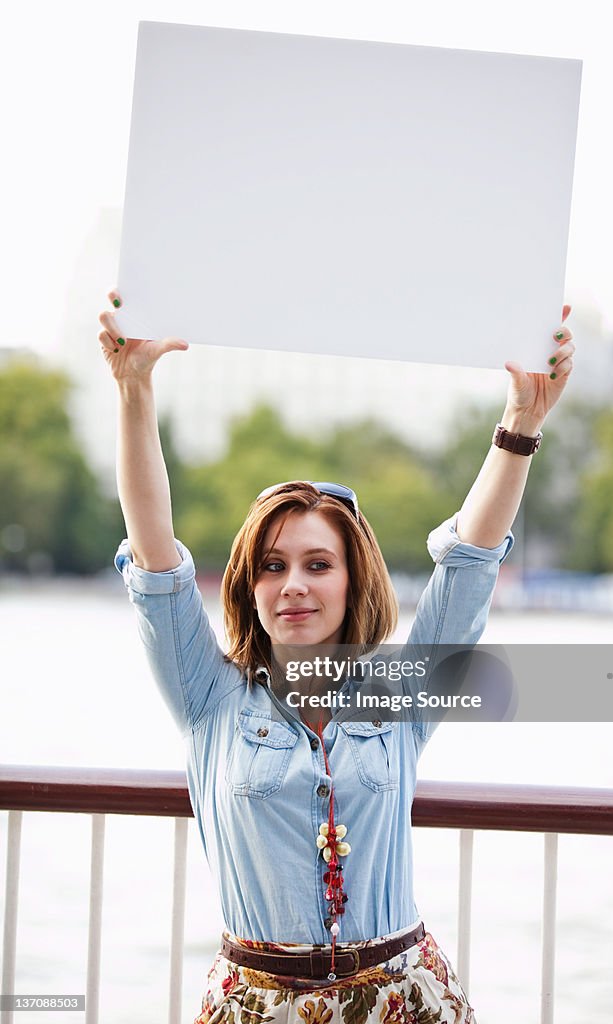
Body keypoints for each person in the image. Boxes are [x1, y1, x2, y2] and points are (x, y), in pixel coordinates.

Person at [98, 291, 574, 1024]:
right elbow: (156, 558)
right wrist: (134, 391)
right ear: (247, 587)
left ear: (352, 581)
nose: (292, 584)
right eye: (270, 566)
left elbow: (470, 567)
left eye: (317, 564)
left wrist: (519, 425)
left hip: (404, 997)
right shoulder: (206, 695)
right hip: (257, 1003)